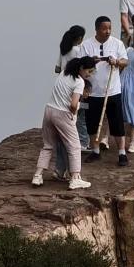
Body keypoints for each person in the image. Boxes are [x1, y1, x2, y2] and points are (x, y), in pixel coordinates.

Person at [34, 57, 93, 190]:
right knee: (75, 147)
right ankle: (75, 178)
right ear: (81, 68)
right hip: (63, 114)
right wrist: (75, 110)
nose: (90, 74)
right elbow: (73, 104)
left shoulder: (64, 73)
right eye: (89, 71)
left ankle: (38, 175)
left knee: (48, 146)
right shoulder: (79, 82)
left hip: (49, 110)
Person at [75, 16, 129, 161]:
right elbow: (79, 63)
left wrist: (116, 61)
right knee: (92, 123)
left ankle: (122, 153)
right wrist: (91, 61)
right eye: (104, 28)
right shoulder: (87, 45)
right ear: (97, 29)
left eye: (110, 28)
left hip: (112, 90)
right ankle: (96, 150)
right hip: (92, 92)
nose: (107, 31)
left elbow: (125, 61)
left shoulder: (117, 44)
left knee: (116, 122)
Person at [53, 25, 87, 176]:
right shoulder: (77, 51)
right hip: (73, 87)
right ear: (79, 39)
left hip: (60, 87)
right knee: (78, 118)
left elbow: (57, 68)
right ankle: (83, 143)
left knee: (60, 135)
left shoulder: (64, 50)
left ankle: (59, 168)